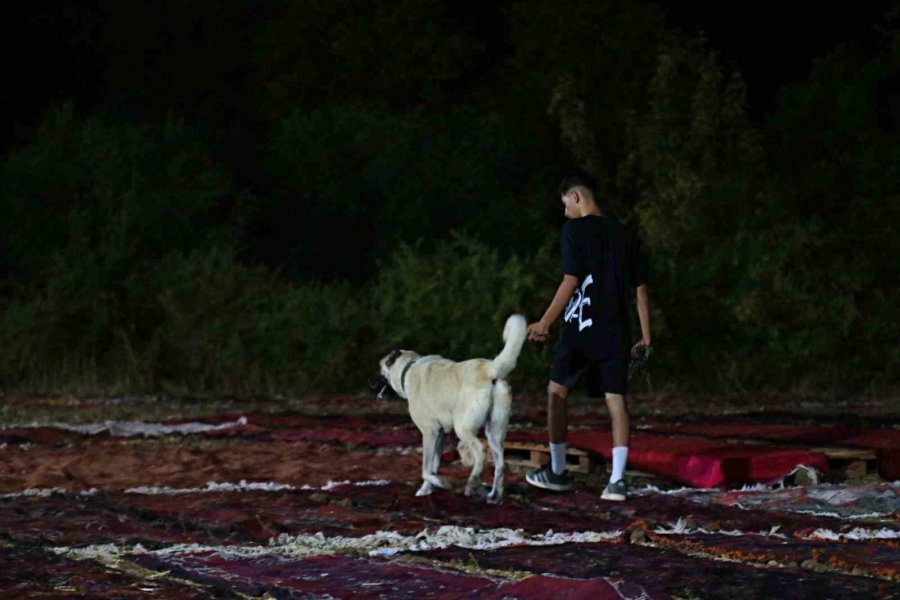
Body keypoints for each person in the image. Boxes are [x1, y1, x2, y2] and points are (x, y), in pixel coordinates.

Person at [525, 172, 650, 501]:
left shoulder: (574, 229)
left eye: (565, 204)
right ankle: (618, 481)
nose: (565, 213)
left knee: (557, 391)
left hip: (581, 327)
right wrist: (646, 336)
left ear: (576, 197)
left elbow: (571, 279)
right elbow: (640, 289)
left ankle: (557, 471)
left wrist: (545, 322)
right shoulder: (625, 234)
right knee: (615, 399)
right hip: (616, 329)